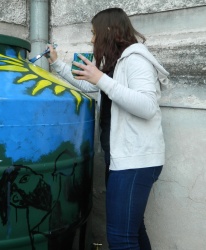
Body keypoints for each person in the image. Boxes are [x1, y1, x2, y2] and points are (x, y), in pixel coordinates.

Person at [47, 7, 169, 250]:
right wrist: (59, 64)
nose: (92, 40)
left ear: (109, 31)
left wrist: (100, 78)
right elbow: (94, 89)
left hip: (135, 162)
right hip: (123, 160)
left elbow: (147, 106)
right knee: (133, 231)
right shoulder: (117, 65)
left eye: (94, 33)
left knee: (121, 239)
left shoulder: (136, 59)